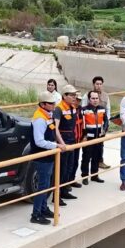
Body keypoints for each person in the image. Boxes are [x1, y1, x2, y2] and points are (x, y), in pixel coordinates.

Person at [29, 91, 65, 225]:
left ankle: (43, 209)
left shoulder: (47, 115)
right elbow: (39, 141)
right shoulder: (39, 118)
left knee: (47, 184)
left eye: (54, 102)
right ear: (43, 104)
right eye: (51, 103)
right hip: (42, 157)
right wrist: (56, 145)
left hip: (49, 155)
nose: (53, 105)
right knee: (43, 186)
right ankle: (36, 214)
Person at [54, 85, 80, 200]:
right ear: (64, 96)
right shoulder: (59, 109)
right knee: (61, 169)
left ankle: (64, 191)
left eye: (75, 95)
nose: (75, 97)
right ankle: (57, 196)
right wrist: (62, 143)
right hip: (63, 142)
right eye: (72, 95)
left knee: (69, 167)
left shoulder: (73, 107)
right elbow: (55, 129)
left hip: (72, 141)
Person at [82, 76, 112, 169]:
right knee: (87, 151)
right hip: (89, 128)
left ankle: (100, 162)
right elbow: (83, 112)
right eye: (97, 84)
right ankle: (85, 173)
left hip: (100, 126)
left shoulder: (106, 96)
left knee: (100, 146)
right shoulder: (87, 95)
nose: (98, 86)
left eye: (100, 84)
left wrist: (106, 125)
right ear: (93, 84)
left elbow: (108, 110)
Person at [81, 91, 108, 184]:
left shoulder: (102, 109)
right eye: (93, 98)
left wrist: (104, 131)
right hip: (88, 139)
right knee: (86, 158)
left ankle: (94, 176)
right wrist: (84, 136)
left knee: (96, 157)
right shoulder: (84, 110)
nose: (95, 100)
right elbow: (82, 125)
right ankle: (84, 176)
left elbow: (106, 122)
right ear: (89, 99)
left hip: (99, 138)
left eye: (96, 98)